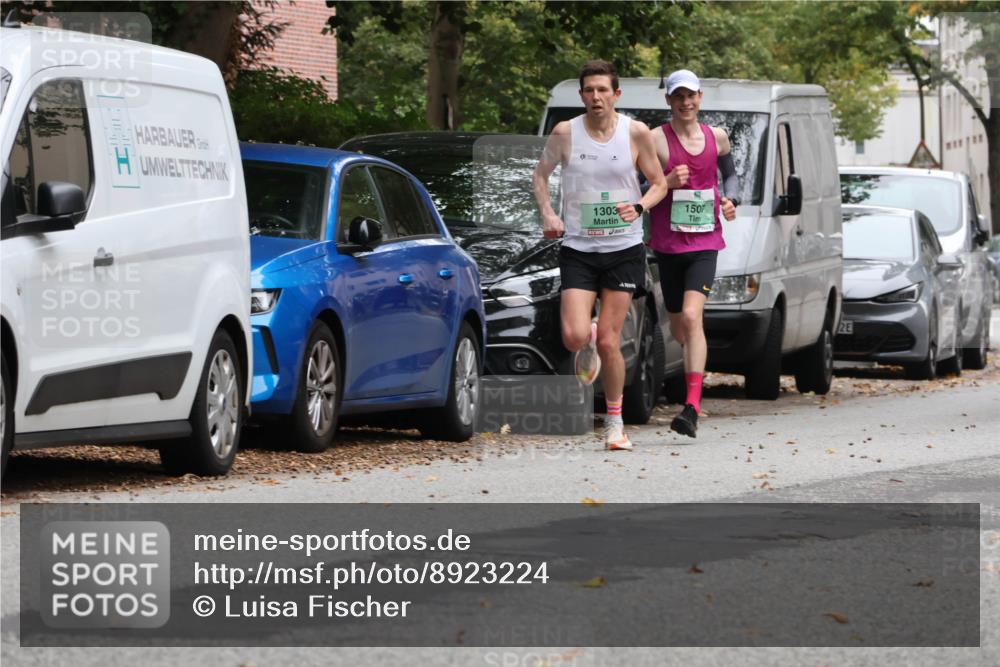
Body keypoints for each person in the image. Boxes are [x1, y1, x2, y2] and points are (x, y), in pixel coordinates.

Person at [533, 59, 668, 451]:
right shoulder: (565, 133)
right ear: (581, 96)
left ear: (616, 95)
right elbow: (540, 175)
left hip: (623, 249)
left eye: (603, 90)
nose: (596, 97)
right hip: (578, 248)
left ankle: (614, 424)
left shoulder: (636, 133)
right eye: (589, 90)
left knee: (610, 342)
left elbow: (659, 183)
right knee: (575, 337)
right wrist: (548, 211)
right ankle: (587, 332)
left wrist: (639, 207)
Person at [650, 69, 739, 438]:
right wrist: (666, 182)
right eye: (678, 97)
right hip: (668, 245)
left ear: (700, 97)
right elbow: (642, 182)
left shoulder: (716, 137)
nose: (686, 103)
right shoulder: (655, 140)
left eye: (691, 96)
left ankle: (692, 407)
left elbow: (731, 176)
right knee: (679, 325)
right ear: (669, 100)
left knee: (691, 316)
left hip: (705, 243)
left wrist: (732, 199)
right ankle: (692, 370)